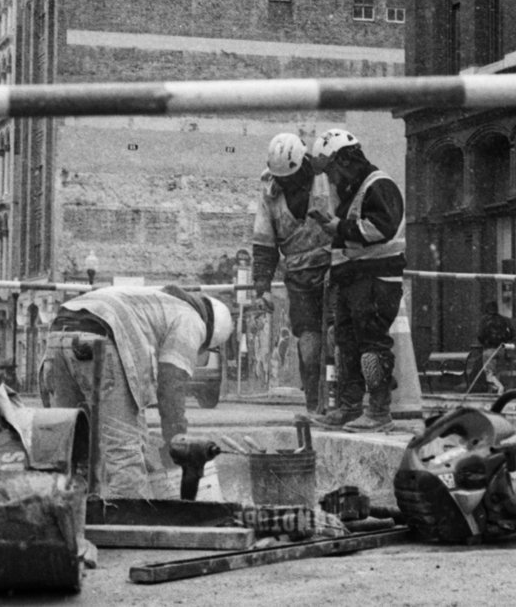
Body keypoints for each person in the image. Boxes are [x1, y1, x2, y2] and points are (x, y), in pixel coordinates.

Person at [38, 284, 233, 498]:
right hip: (102, 335)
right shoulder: (191, 320)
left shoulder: (156, 303)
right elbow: (171, 385)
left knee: (74, 447)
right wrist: (177, 442)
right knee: (124, 456)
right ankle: (127, 526)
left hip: (59, 332)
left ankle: (71, 522)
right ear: (209, 334)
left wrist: (147, 451)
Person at [308, 130, 405, 433]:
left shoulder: (378, 185)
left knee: (371, 344)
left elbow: (382, 227)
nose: (332, 178)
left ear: (346, 159)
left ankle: (378, 410)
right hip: (354, 279)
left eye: (333, 170)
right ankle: (350, 407)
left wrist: (340, 227)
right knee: (347, 344)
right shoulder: (352, 188)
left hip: (376, 279)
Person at [250, 132, 333, 417]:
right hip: (299, 279)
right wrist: (261, 288)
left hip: (336, 269)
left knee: (338, 341)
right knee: (310, 347)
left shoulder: (327, 178)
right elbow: (264, 245)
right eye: (281, 179)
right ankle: (314, 406)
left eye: (291, 178)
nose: (286, 184)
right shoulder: (269, 192)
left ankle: (343, 405)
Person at [465, 301, 513, 394]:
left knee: (489, 373)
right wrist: (504, 340)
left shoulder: (485, 320)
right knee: (497, 372)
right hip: (501, 349)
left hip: (489, 348)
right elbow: (511, 333)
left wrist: (485, 342)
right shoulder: (503, 320)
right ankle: (493, 392)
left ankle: (500, 387)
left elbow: (480, 335)